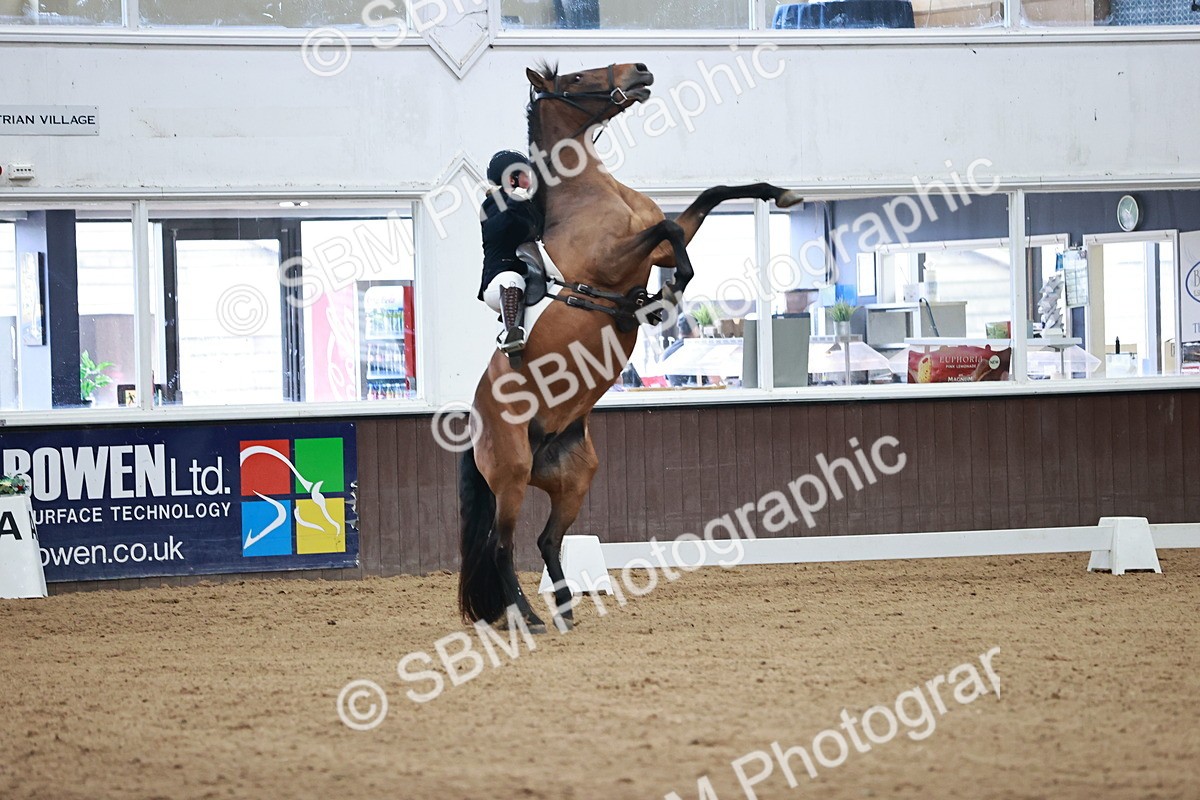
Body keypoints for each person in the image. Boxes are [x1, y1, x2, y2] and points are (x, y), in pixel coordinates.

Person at [478, 150, 543, 359]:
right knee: (512, 280)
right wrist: (515, 201)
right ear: (511, 179)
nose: (529, 180)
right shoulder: (492, 204)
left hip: (533, 275)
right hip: (500, 281)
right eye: (525, 175)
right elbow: (498, 229)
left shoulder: (529, 206)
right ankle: (510, 335)